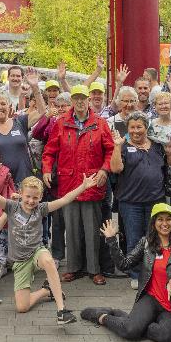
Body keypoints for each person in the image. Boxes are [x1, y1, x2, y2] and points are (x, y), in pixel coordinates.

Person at [0, 156, 95, 324]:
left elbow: (65, 199)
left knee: (49, 261)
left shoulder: (41, 209)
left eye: (35, 198)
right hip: (20, 261)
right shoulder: (12, 206)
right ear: (20, 193)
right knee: (22, 307)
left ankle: (61, 311)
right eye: (28, 196)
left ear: (41, 197)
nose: (31, 201)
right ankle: (46, 291)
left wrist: (83, 186)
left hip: (36, 252)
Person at [82, 203, 171, 342]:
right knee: (130, 331)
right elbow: (124, 264)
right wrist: (112, 240)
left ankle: (129, 319)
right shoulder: (146, 243)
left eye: (168, 219)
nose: (165, 223)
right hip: (150, 299)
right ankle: (102, 316)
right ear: (153, 222)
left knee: (168, 336)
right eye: (160, 219)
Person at [42, 84, 113, 285]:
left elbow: (110, 150)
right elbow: (49, 151)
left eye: (83, 98)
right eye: (77, 98)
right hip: (69, 183)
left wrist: (104, 170)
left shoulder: (100, 123)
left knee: (92, 230)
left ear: (88, 100)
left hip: (92, 183)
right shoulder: (61, 122)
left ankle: (94, 269)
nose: (80, 101)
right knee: (71, 229)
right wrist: (46, 169)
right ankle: (72, 268)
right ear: (72, 101)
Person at [109, 111, 171, 287]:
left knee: (156, 237)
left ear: (146, 127)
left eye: (139, 127)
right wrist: (116, 147)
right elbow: (115, 169)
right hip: (130, 202)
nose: (135, 131)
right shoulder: (123, 146)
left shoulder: (158, 146)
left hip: (156, 201)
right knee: (134, 239)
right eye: (132, 127)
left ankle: (156, 271)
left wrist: (170, 153)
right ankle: (136, 275)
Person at [0, 72, 46, 185]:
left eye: (3, 104)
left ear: (9, 105)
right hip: (0, 184)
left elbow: (42, 111)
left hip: (24, 181)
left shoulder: (20, 121)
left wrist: (35, 86)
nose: (0, 107)